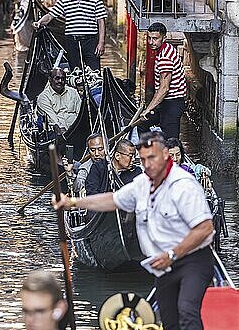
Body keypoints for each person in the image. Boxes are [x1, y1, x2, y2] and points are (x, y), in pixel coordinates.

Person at [54, 132, 214, 330]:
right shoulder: (142, 184)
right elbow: (111, 200)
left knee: (186, 309)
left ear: (165, 155)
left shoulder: (184, 186)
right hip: (164, 263)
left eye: (152, 158)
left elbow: (205, 228)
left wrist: (172, 254)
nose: (147, 165)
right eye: (143, 160)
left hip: (192, 260)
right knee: (169, 318)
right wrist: (74, 202)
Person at [33, 0, 107, 71]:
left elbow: (101, 21)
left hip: (90, 41)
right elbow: (50, 16)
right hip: (72, 42)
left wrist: (101, 43)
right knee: (75, 73)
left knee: (94, 73)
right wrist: (39, 23)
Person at [136, 23, 186, 139]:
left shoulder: (165, 58)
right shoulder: (166, 48)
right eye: (149, 38)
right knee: (142, 124)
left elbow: (164, 88)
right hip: (165, 102)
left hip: (172, 103)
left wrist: (148, 109)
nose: (151, 42)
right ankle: (148, 155)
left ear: (164, 38)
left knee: (171, 142)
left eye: (155, 39)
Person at [36, 68, 81, 135]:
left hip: (76, 129)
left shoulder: (73, 92)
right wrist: (63, 131)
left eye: (63, 79)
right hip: (55, 132)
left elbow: (79, 113)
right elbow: (53, 119)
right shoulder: (43, 97)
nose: (60, 81)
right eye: (57, 78)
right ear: (50, 80)